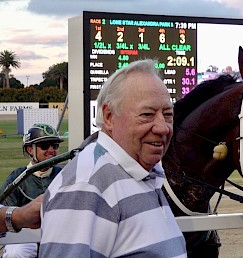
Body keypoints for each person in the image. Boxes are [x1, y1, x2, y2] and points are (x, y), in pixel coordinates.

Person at [40, 59, 187, 257]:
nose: (163, 127)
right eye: (147, 114)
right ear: (109, 117)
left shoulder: (143, 173)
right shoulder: (87, 186)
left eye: (167, 114)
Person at [0, 123, 63, 258]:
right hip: (24, 233)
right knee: (16, 253)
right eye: (45, 145)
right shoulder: (17, 177)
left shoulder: (65, 174)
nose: (51, 149)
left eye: (55, 145)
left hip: (59, 231)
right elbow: (5, 213)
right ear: (30, 149)